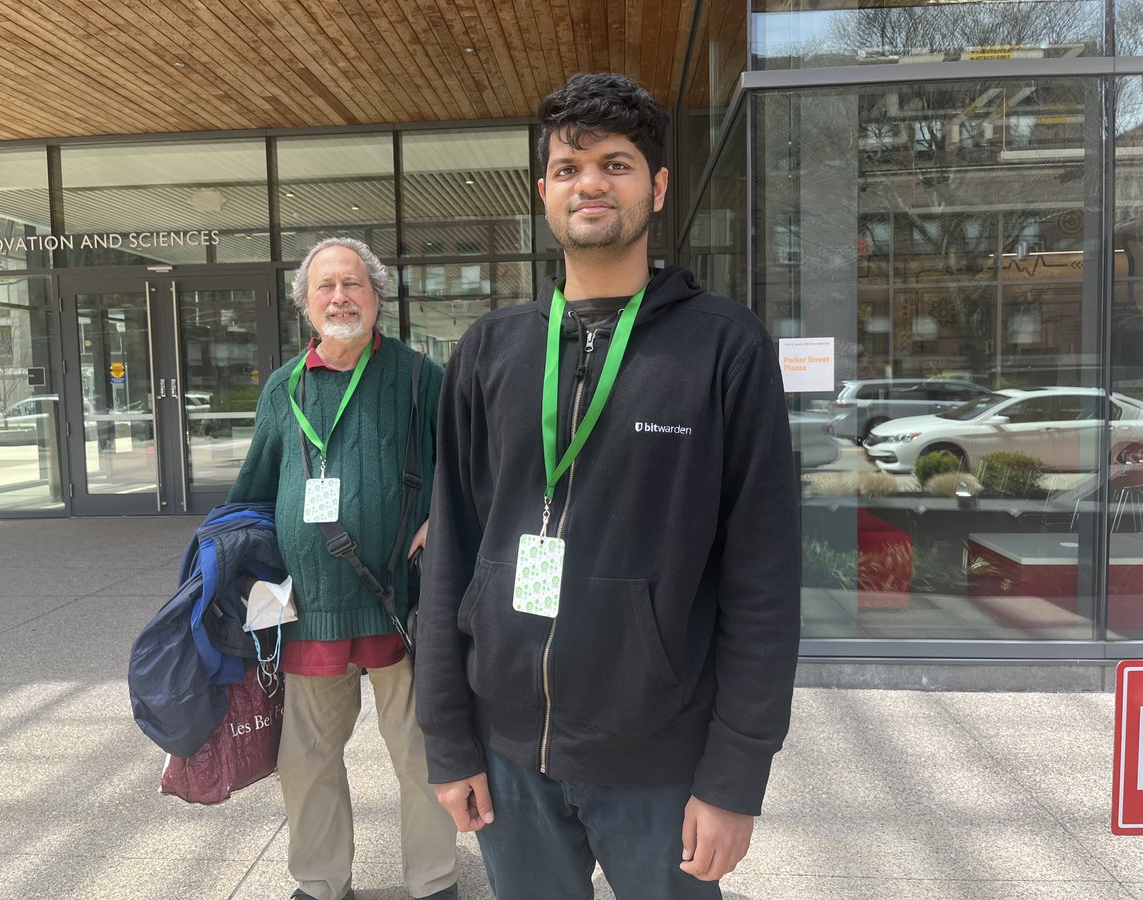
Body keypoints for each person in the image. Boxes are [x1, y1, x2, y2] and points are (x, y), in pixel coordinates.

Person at [414, 73, 802, 899]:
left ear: (656, 188)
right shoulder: (489, 351)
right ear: (545, 192)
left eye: (617, 165)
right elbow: (450, 547)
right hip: (508, 754)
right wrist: (447, 741)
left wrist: (737, 773)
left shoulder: (723, 347)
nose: (590, 183)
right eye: (568, 168)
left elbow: (763, 574)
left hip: (661, 757)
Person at [228, 237, 459, 900]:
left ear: (377, 297)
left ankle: (434, 881)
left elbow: (473, 469)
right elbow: (253, 494)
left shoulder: (419, 376)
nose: (339, 297)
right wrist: (252, 590)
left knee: (419, 757)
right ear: (305, 304)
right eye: (325, 287)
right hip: (309, 609)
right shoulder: (283, 388)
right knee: (306, 763)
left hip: (400, 602)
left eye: (352, 284)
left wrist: (438, 518)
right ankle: (322, 882)